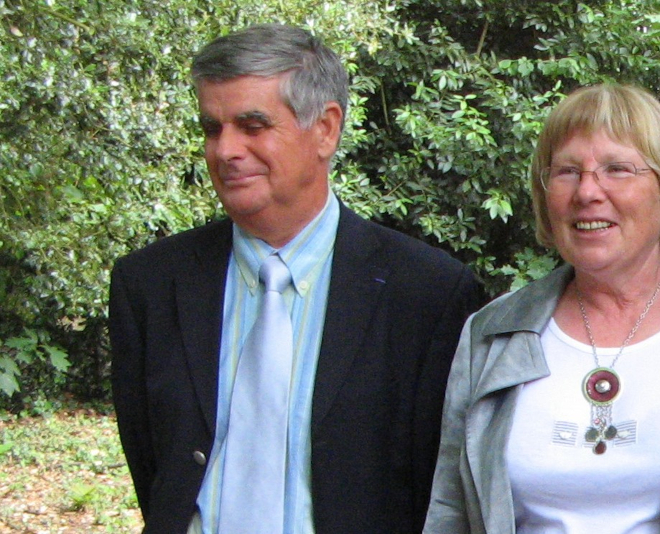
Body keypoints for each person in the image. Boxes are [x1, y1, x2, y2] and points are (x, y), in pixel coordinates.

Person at [109, 23, 484, 534]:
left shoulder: (428, 294)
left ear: (326, 129)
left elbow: (438, 489)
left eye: (252, 125)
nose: (226, 151)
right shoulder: (150, 285)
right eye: (212, 128)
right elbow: (157, 470)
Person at [423, 83, 660, 533]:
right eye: (566, 171)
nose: (587, 191)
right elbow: (450, 514)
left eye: (617, 169)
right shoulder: (491, 332)